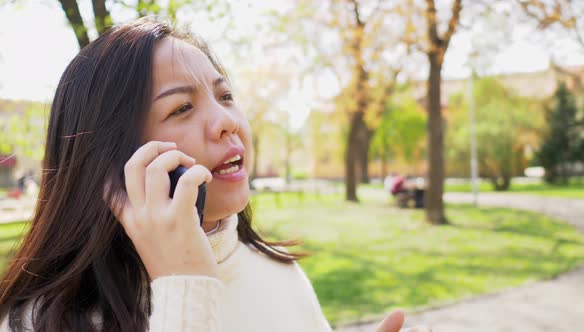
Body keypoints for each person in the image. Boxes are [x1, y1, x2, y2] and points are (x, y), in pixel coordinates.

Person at [0, 19, 428, 332]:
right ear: (109, 159)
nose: (227, 121)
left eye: (226, 96)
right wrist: (185, 285)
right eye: (181, 108)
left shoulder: (273, 270)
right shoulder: (41, 321)